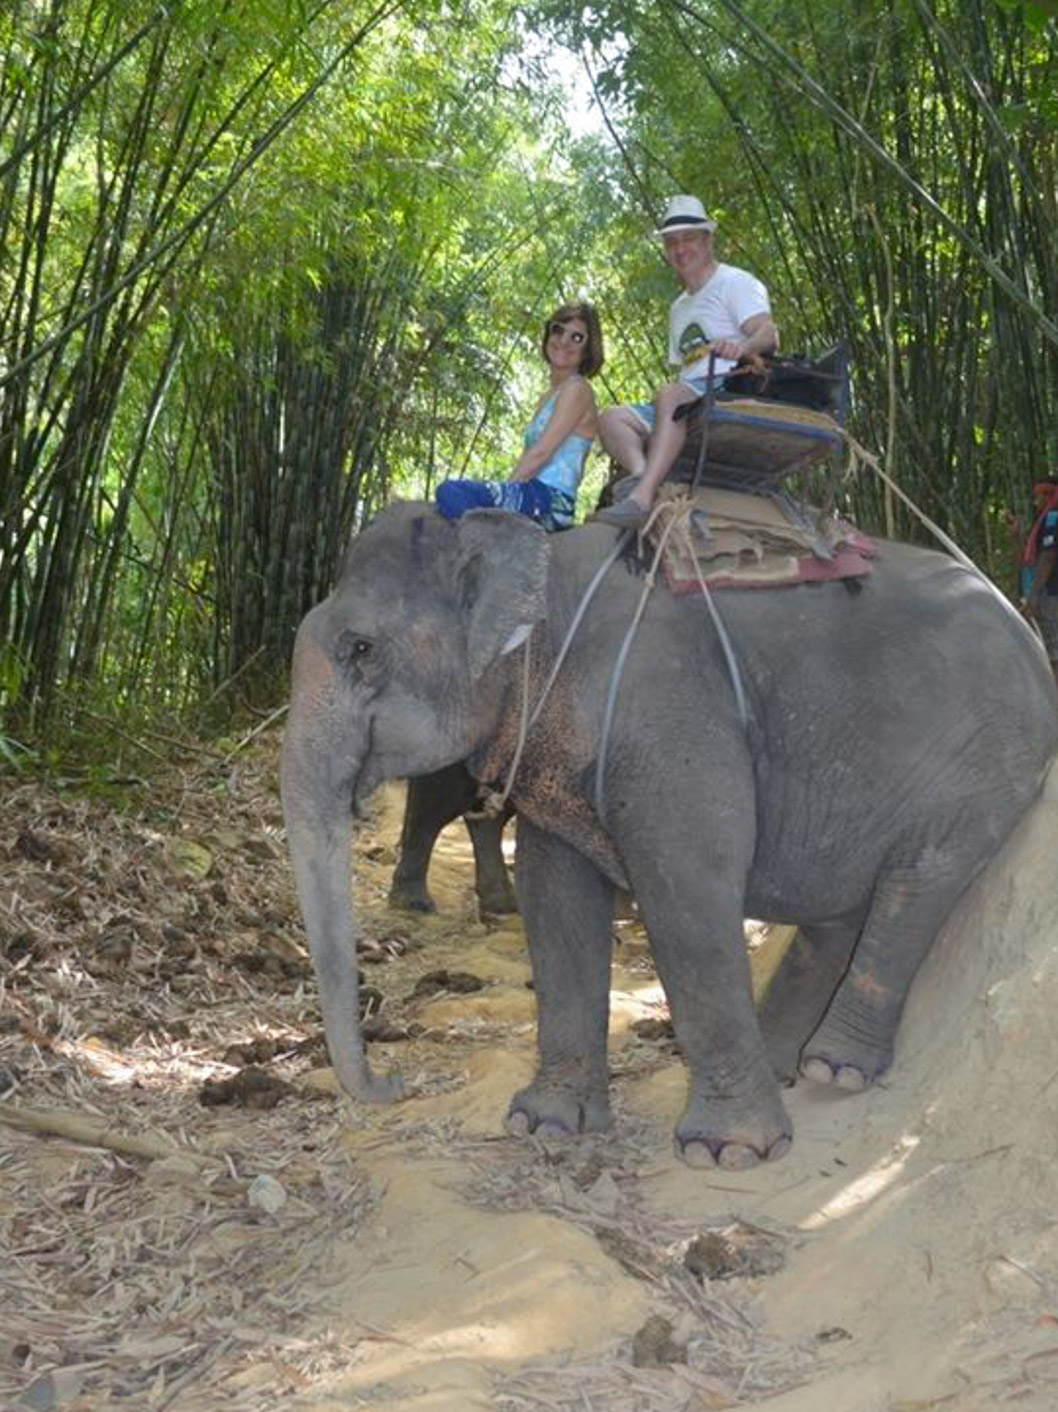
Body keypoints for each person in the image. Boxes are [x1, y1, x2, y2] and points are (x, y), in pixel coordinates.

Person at [594, 195, 778, 531]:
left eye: (689, 239)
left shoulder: (735, 282)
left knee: (670, 393)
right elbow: (686, 368)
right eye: (671, 242)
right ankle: (640, 476)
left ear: (708, 240)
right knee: (610, 419)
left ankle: (641, 499)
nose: (680, 249)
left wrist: (743, 348)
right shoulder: (678, 308)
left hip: (728, 387)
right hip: (687, 395)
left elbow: (769, 333)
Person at [435, 302, 603, 532]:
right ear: (548, 334)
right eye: (558, 330)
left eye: (577, 338)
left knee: (451, 492)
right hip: (531, 493)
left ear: (588, 349)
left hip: (549, 500)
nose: (563, 341)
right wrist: (507, 492)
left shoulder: (578, 389)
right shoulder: (548, 396)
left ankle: (487, 544)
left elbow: (541, 453)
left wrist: (506, 491)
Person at [1012, 478, 1058, 686]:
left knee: (1053, 653)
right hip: (1044, 594)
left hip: (1050, 595)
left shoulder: (1053, 518)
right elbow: (1029, 558)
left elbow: (1048, 557)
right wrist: (1017, 535)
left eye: (1039, 496)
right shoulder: (1043, 522)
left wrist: (1035, 595)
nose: (1035, 501)